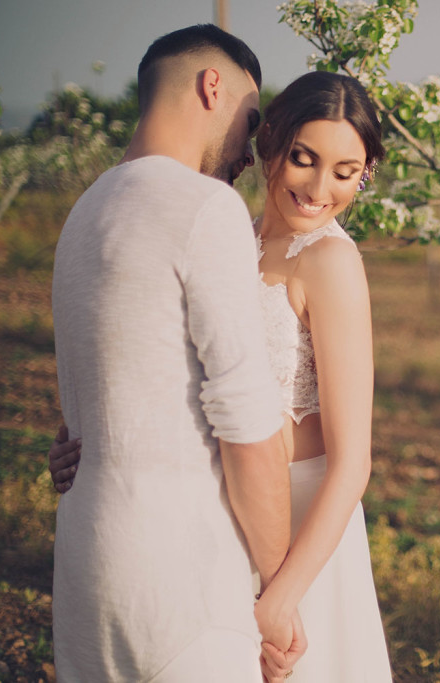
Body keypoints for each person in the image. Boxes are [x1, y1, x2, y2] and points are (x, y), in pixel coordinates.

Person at [50, 70, 393, 681]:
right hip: (223, 512)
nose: (319, 189)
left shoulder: (331, 262)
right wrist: (82, 438)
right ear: (272, 146)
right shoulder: (227, 230)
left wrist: (282, 595)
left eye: (345, 173)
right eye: (303, 160)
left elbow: (352, 464)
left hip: (304, 530)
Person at [49, 24, 300, 681]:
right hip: (180, 582)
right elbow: (247, 429)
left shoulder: (84, 211)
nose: (250, 150)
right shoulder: (203, 207)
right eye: (250, 120)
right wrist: (278, 591)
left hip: (84, 574)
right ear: (211, 86)